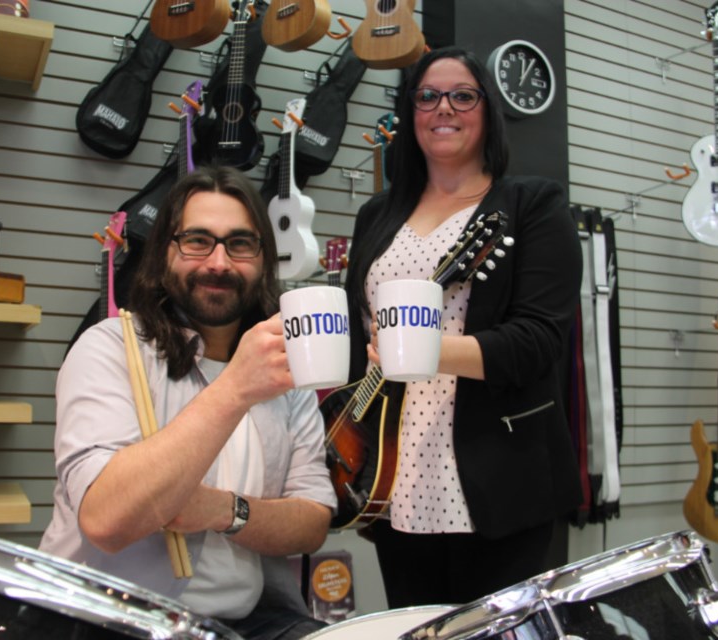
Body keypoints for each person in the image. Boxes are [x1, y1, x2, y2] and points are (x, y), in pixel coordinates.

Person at [40, 165, 336, 640]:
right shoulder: (108, 348)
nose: (218, 262)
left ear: (264, 260)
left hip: (247, 621)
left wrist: (223, 510)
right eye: (198, 241)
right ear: (164, 253)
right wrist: (235, 388)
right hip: (106, 618)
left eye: (239, 244)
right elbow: (106, 520)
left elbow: (311, 523)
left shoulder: (288, 372)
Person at [342, 46, 583, 607]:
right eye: (427, 96)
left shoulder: (532, 205)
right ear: (410, 112)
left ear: (487, 110)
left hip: (498, 478)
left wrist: (426, 351)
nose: (442, 108)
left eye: (462, 95)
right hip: (392, 476)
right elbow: (364, 335)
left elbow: (541, 341)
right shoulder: (376, 216)